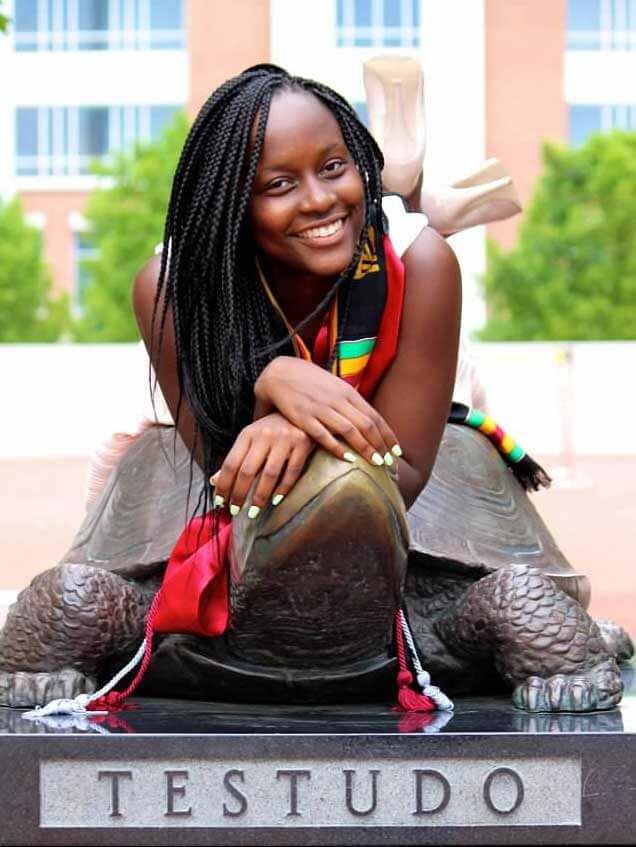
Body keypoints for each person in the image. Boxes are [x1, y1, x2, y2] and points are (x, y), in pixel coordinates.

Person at [133, 64, 461, 521]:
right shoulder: (174, 289)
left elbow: (401, 475)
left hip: (401, 462)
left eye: (332, 167)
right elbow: (229, 480)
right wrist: (273, 383)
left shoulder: (419, 263)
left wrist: (298, 419)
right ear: (234, 206)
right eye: (279, 185)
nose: (319, 200)